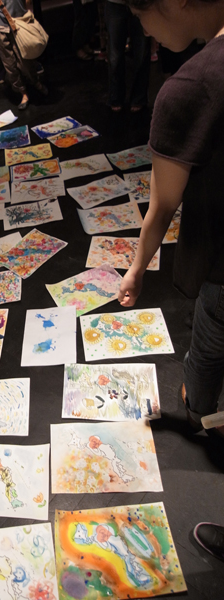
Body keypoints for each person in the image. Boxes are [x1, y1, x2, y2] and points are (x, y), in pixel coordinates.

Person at [118, 0, 224, 436]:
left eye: (139, 14)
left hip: (222, 264)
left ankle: (200, 414)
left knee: (210, 341)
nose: (144, 32)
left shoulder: (189, 88)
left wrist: (136, 268)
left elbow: (163, 205)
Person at [0, 0, 48, 109]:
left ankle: (36, 83)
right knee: (9, 64)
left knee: (25, 60)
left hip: (18, 22)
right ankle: (23, 92)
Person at [105, 0, 151, 111]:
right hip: (115, 2)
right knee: (115, 55)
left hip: (142, 3)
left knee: (141, 52)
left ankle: (138, 98)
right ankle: (116, 97)